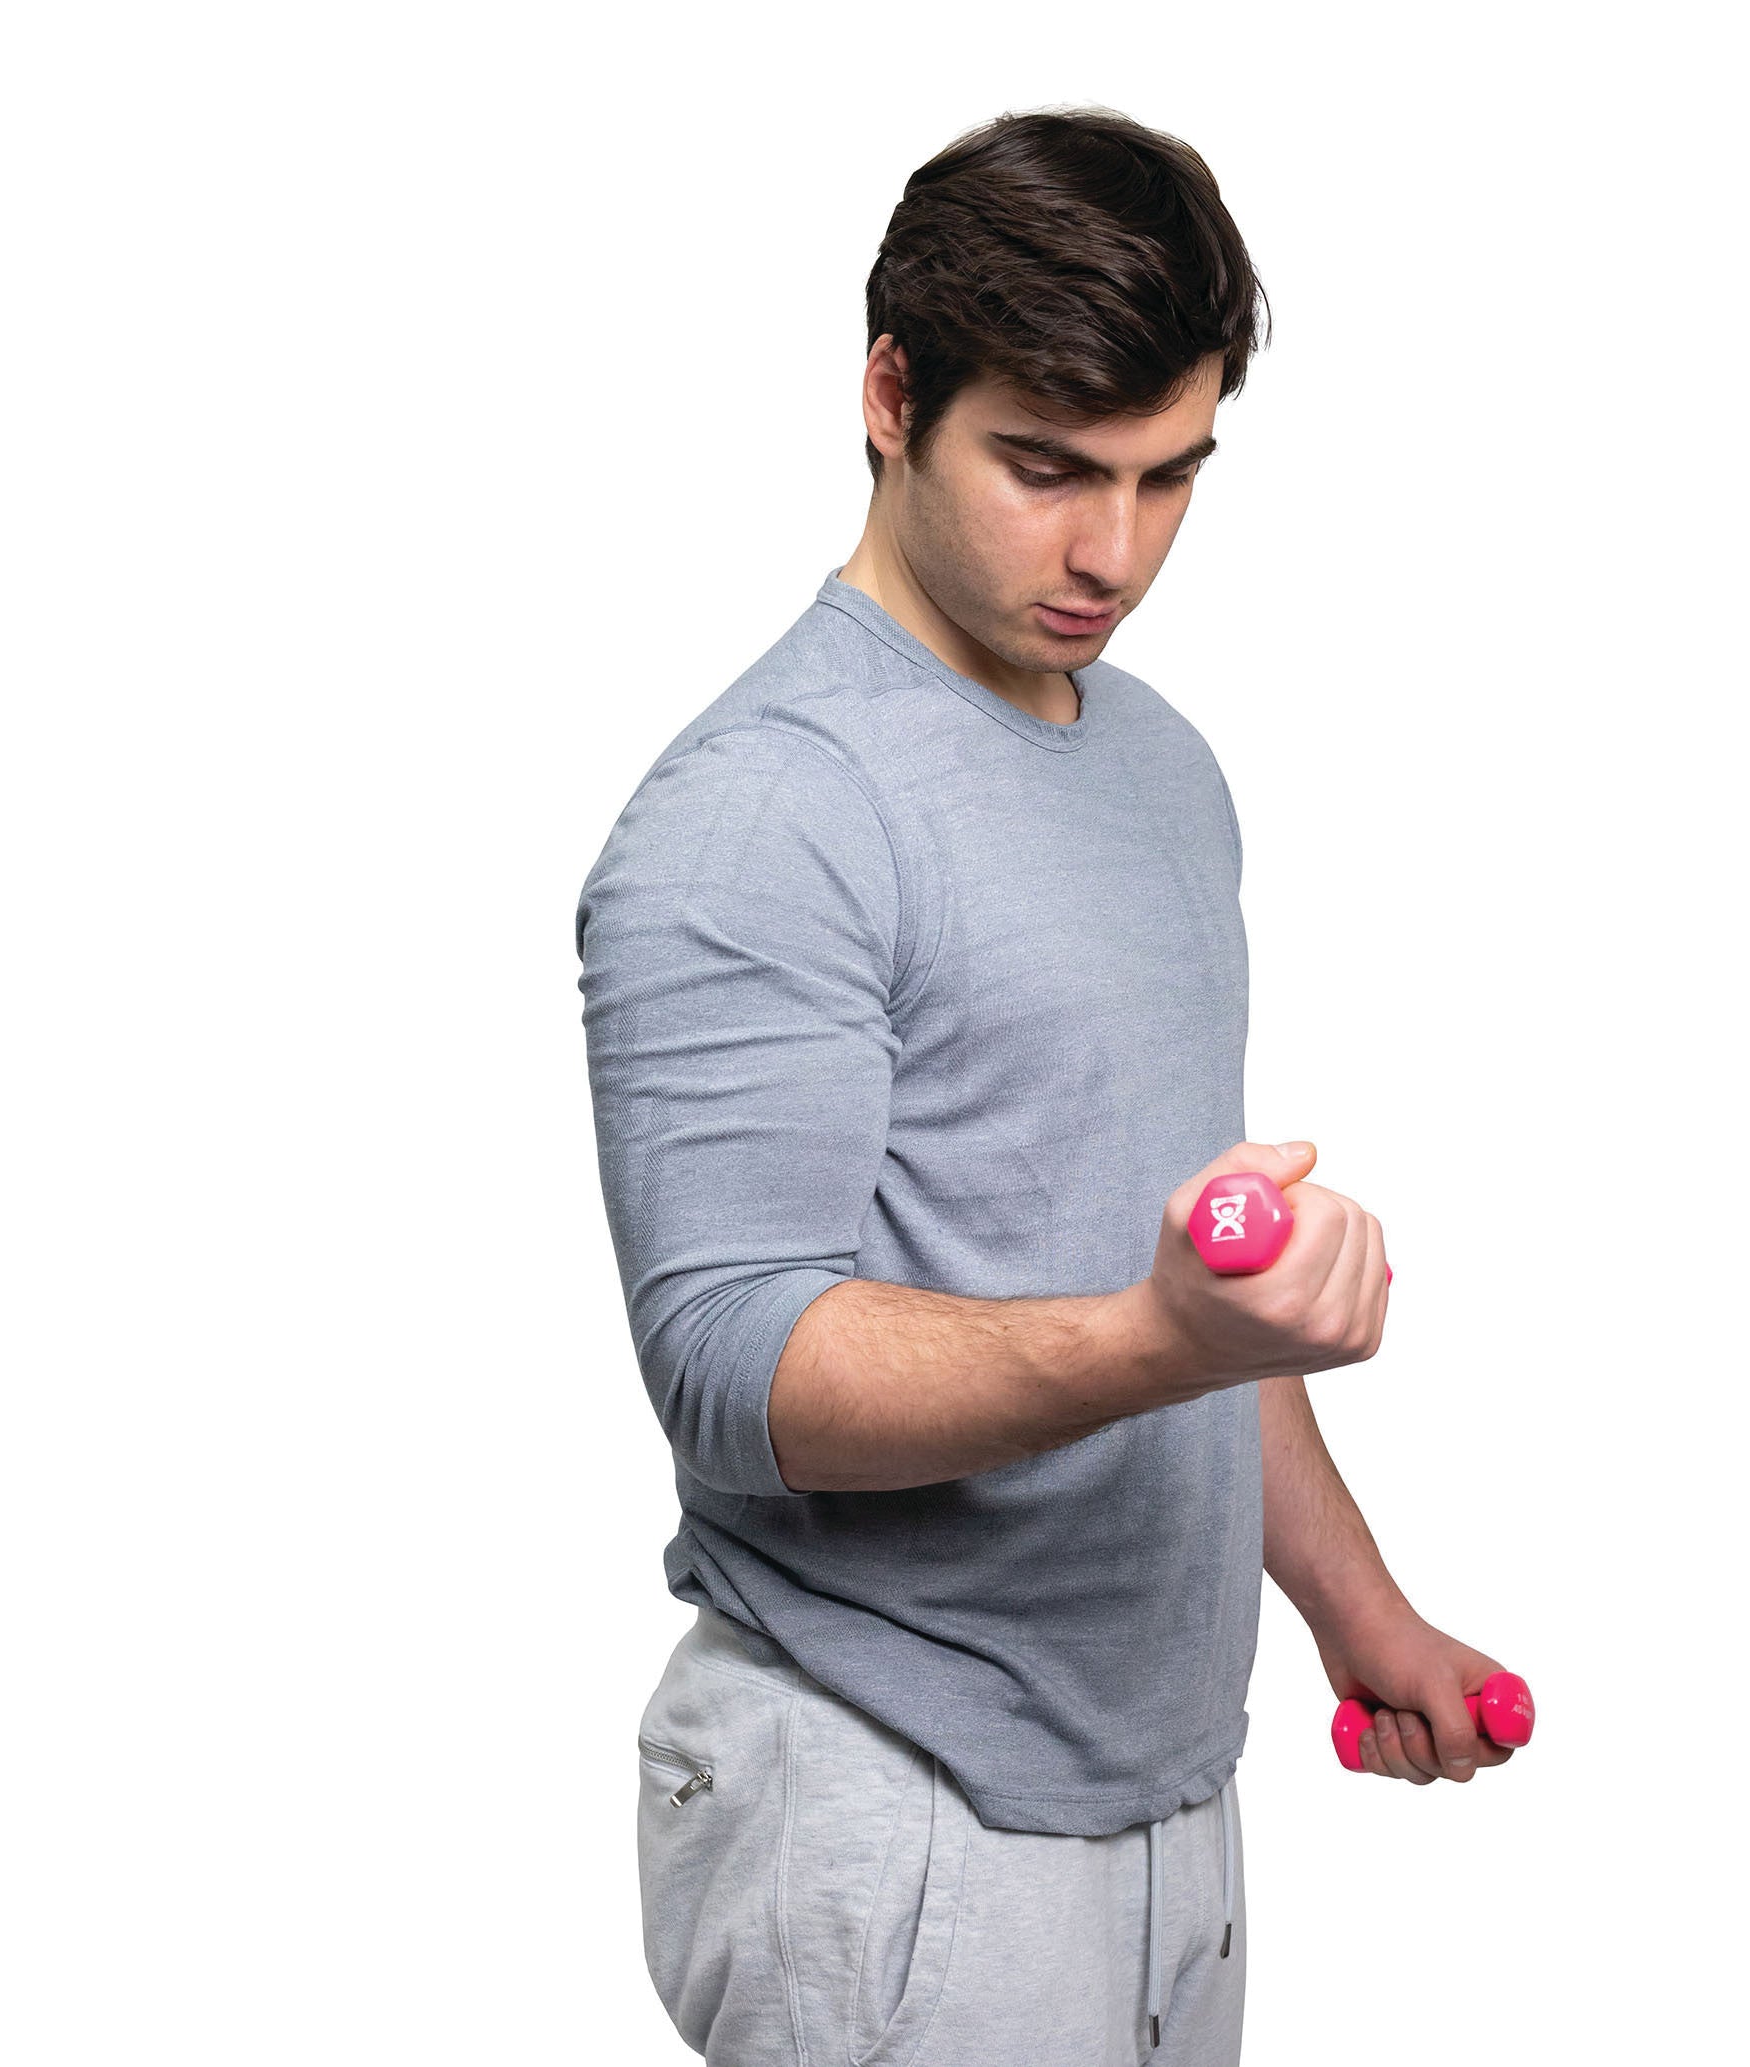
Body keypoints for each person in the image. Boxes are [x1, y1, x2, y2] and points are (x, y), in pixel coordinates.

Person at [575, 105, 1513, 2066]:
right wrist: (1148, 1333)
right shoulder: (767, 810)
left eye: (1170, 476)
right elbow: (736, 1369)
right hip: (894, 1790)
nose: (1113, 549)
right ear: (888, 393)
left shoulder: (1157, 766)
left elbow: (1176, 1299)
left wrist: (1359, 1610)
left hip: (1164, 1787)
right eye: (1044, 469)